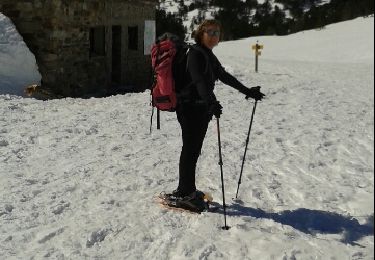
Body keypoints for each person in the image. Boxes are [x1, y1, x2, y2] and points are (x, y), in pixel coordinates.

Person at [169, 20, 265, 211]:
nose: (214, 35)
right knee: (190, 149)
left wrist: (247, 90)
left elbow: (223, 75)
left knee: (193, 149)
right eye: (210, 32)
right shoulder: (196, 54)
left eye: (217, 32)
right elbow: (198, 81)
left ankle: (186, 189)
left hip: (200, 108)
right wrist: (210, 101)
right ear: (201, 33)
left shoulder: (208, 54)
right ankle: (185, 193)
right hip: (189, 108)